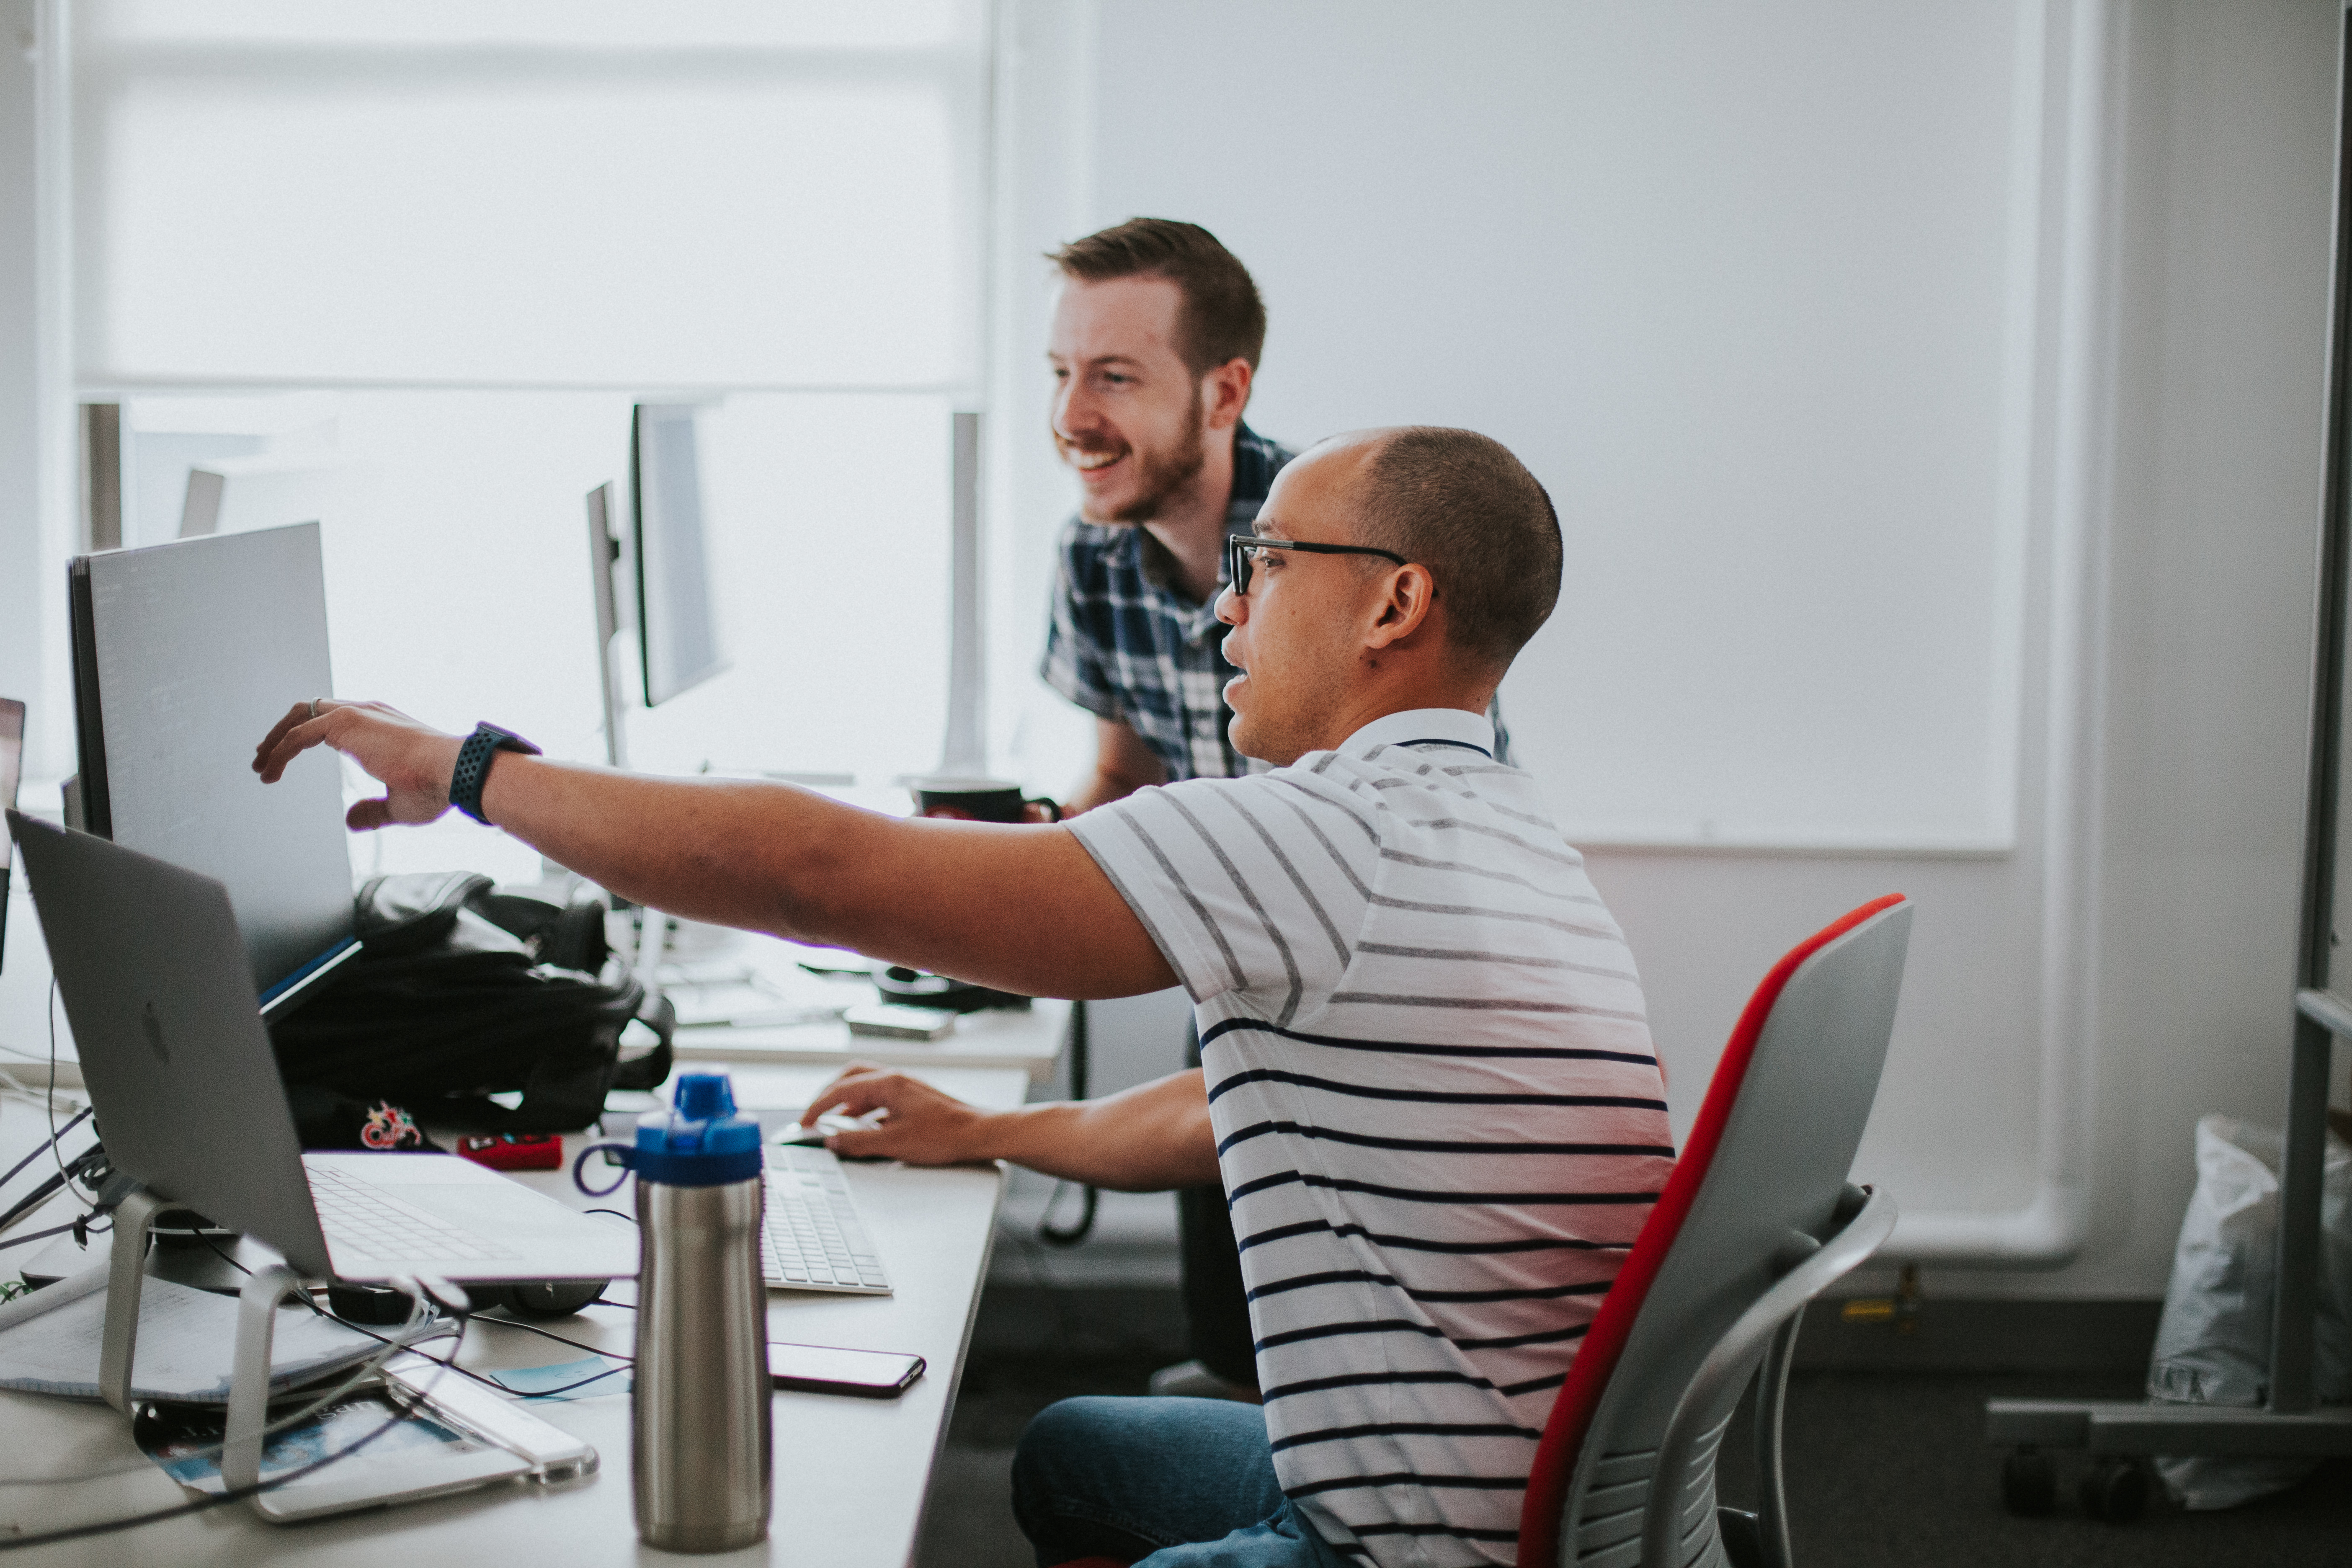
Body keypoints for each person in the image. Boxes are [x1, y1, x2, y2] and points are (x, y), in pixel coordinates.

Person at [253, 426, 1672, 1568]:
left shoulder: (1329, 836)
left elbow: (814, 874)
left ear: (1396, 601)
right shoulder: (1492, 822)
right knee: (1067, 1454)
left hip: (1413, 1540)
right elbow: (1229, 1106)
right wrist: (985, 1135)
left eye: (1271, 560)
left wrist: (474, 773)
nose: (1229, 604)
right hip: (1532, 1486)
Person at [1026, 219, 1511, 1399]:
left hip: (1375, 973)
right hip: (1234, 968)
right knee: (1232, 1346)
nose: (1072, 417)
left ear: (1225, 389)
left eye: (1116, 378)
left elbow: (1430, 815)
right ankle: (1244, 1399)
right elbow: (1127, 770)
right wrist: (1020, 861)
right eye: (1060, 375)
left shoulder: (1347, 553)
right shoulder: (1095, 559)